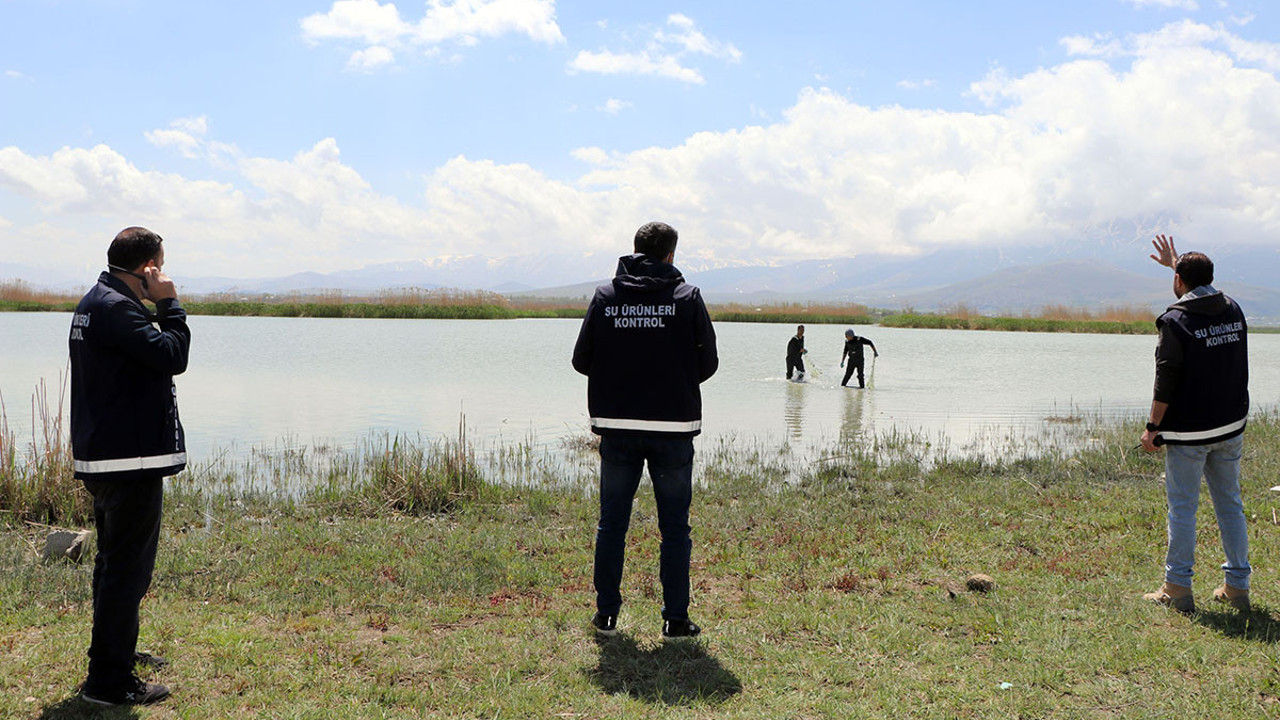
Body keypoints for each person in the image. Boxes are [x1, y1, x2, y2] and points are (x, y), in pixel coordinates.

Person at [572, 221, 719, 640]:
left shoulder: (605, 297)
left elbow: (582, 360)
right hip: (673, 428)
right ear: (670, 256)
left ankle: (606, 618)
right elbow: (707, 363)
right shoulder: (686, 297)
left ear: (634, 249)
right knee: (674, 527)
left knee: (611, 524)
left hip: (617, 428)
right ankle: (675, 621)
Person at [70, 227, 190, 706]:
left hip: (109, 455)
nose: (163, 275)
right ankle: (108, 682)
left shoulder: (96, 302)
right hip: (128, 460)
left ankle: (115, 652)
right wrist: (170, 304)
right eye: (160, 267)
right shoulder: (118, 308)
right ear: (149, 269)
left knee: (114, 563)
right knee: (126, 569)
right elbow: (172, 355)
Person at [1140, 234, 1251, 614]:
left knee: (1183, 508)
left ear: (1178, 282)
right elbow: (1199, 291)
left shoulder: (1175, 320)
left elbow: (1166, 377)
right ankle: (1237, 587)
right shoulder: (1233, 309)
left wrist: (1153, 428)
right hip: (1229, 427)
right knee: (1230, 506)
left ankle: (1177, 589)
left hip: (1190, 433)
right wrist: (1177, 263)